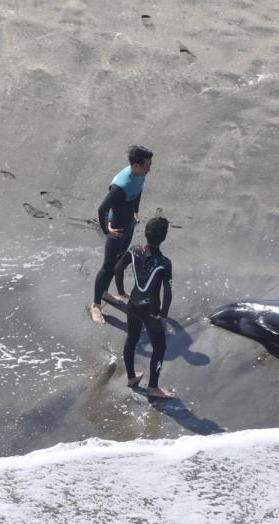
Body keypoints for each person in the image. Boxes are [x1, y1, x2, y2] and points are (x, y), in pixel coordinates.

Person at [90, 145, 153, 325]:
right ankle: (95, 304)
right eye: (147, 165)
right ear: (136, 165)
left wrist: (135, 211)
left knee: (118, 261)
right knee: (108, 266)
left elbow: (139, 190)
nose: (150, 168)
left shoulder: (139, 176)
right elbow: (102, 208)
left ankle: (104, 293)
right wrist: (106, 230)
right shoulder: (120, 185)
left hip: (128, 225)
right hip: (116, 229)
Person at [114, 216, 174, 398]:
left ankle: (131, 378)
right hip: (151, 311)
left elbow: (117, 269)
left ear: (145, 233)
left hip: (133, 305)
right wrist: (163, 315)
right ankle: (153, 388)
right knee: (160, 347)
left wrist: (122, 292)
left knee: (131, 339)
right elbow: (168, 292)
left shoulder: (134, 251)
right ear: (163, 238)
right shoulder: (164, 262)